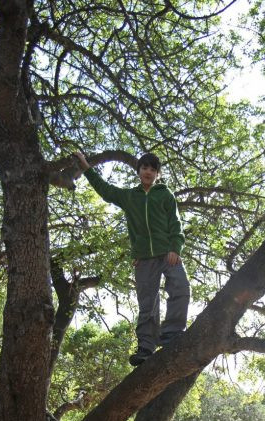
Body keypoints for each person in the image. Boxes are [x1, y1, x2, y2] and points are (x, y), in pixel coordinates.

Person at [74, 151, 191, 366]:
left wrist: (176, 248)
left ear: (157, 174)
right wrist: (85, 167)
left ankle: (172, 332)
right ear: (138, 171)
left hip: (168, 253)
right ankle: (146, 346)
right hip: (144, 258)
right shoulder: (130, 197)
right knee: (147, 302)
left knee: (181, 287)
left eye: (152, 169)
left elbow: (175, 224)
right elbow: (105, 190)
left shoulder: (165, 195)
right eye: (144, 168)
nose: (148, 172)